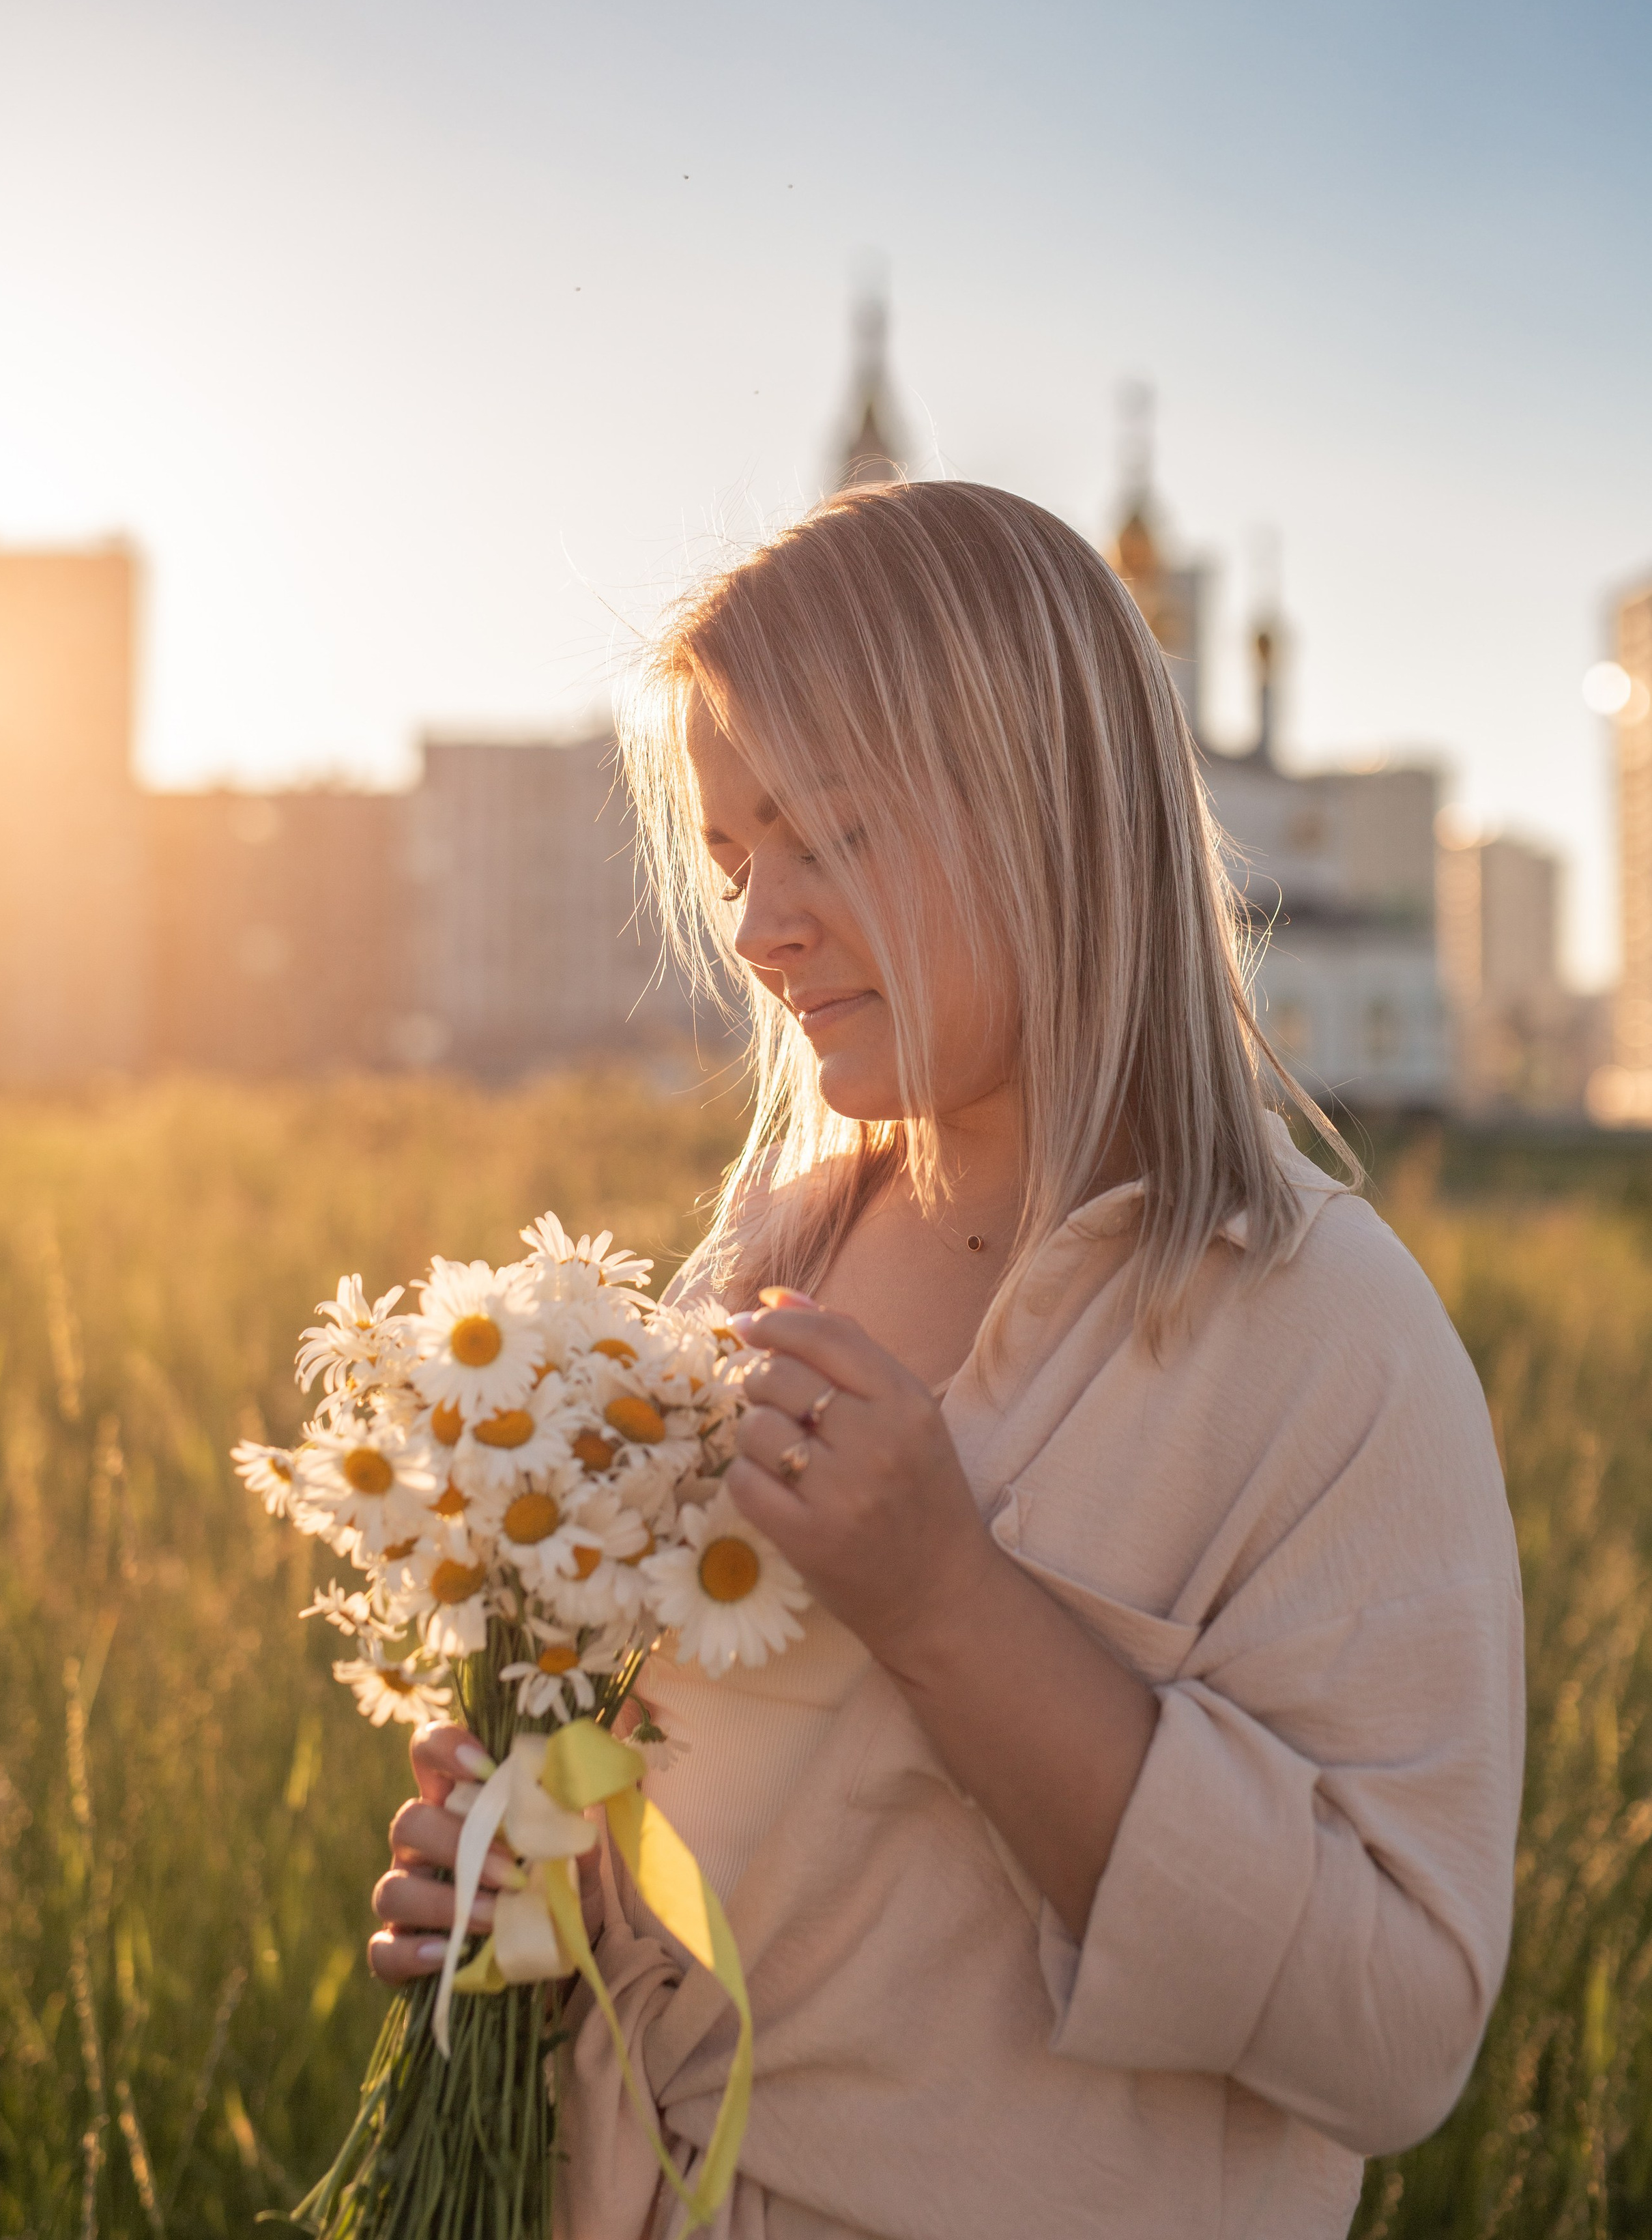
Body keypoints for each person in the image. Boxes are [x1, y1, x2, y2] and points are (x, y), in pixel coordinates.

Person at [368, 480, 1524, 2240]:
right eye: (738, 858)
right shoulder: (774, 1261)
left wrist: (946, 1601)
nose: (757, 929)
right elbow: (772, 1852)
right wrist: (535, 1879)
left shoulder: (1323, 1334)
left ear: (1046, 806)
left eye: (826, 837)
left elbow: (1397, 2033)